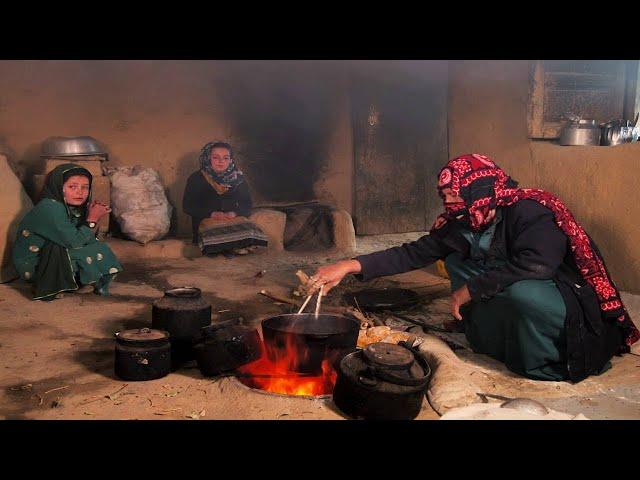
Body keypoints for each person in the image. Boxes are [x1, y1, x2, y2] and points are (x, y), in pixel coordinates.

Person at [311, 153, 640, 382]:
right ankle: (490, 339)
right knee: (457, 260)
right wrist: (349, 264)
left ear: (479, 189)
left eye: (456, 195)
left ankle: (547, 363)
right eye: (446, 196)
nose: (450, 203)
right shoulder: (462, 220)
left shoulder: (528, 210)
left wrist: (472, 289)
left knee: (521, 294)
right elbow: (414, 252)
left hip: (559, 294)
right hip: (510, 281)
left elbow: (538, 264)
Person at [12, 163, 123, 301]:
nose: (80, 192)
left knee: (97, 246)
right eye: (72, 187)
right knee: (90, 251)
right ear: (59, 187)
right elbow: (75, 242)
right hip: (34, 263)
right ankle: (51, 284)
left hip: (54, 251)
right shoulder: (50, 208)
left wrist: (91, 216)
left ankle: (78, 281)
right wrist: (92, 218)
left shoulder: (69, 206)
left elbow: (87, 238)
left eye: (85, 187)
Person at [182, 141, 266, 255]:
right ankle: (234, 246)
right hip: (207, 220)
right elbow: (188, 206)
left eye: (226, 158)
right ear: (208, 159)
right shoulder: (196, 178)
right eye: (216, 157)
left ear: (231, 160)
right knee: (212, 231)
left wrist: (234, 214)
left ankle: (231, 245)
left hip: (230, 219)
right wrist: (212, 214)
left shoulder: (238, 178)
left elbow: (247, 204)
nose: (221, 161)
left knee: (250, 227)